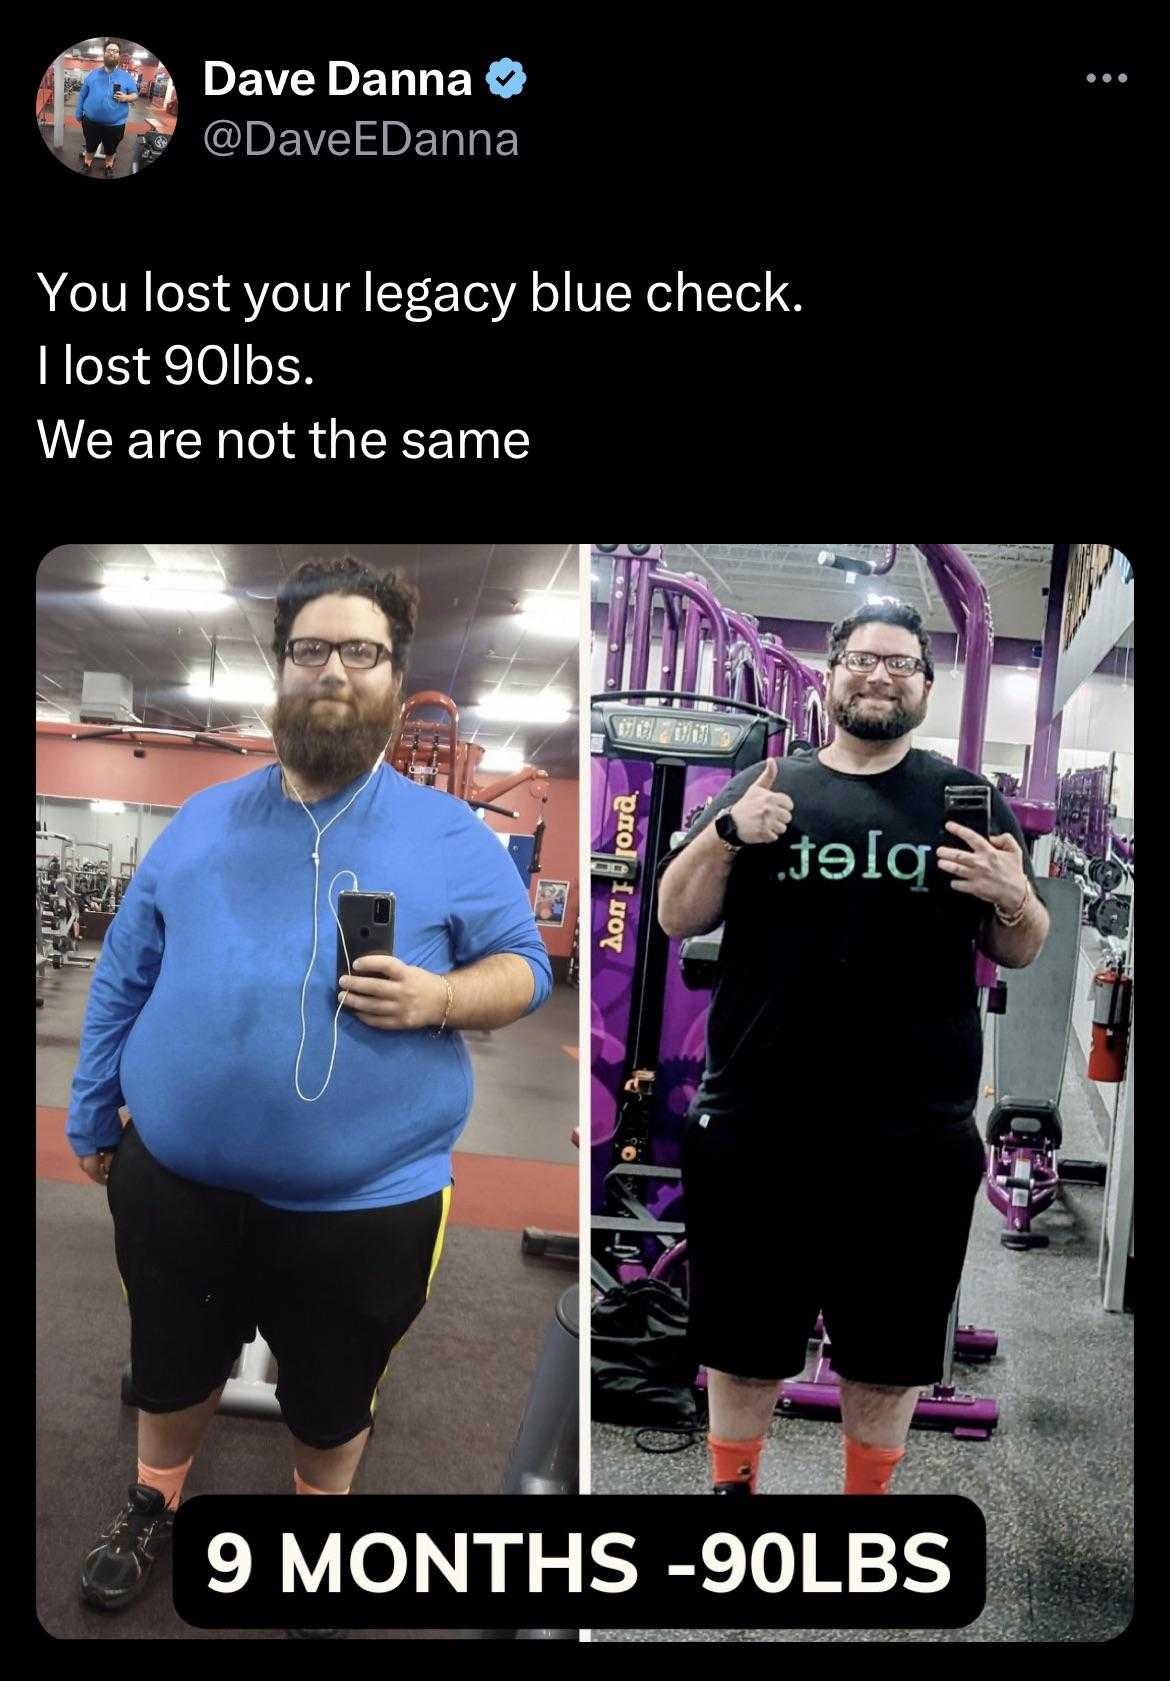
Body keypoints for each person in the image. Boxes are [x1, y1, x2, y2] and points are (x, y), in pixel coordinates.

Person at [66, 555, 554, 1622]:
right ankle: (154, 1500)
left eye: (361, 651)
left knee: (332, 1398)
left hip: (366, 1202)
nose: (334, 670)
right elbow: (125, 970)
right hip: (177, 1183)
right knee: (169, 1364)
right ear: (281, 668)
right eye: (311, 649)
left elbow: (529, 967)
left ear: (393, 674)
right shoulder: (200, 820)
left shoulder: (454, 839)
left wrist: (438, 998)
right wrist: (91, 1105)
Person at [656, 601, 1048, 1498]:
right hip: (761, 1117)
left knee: (888, 1351)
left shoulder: (966, 798)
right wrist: (725, 833)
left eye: (901, 664)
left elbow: (1017, 948)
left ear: (925, 685)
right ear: (832, 671)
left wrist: (1013, 893)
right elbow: (679, 914)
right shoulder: (765, 784)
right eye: (864, 659)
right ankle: (733, 1503)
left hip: (912, 1131)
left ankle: (862, 1516)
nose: (879, 675)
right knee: (745, 1343)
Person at [75, 40, 138, 177]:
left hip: (115, 124)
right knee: (90, 146)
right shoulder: (92, 74)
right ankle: (87, 164)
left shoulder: (126, 76)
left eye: (115, 51)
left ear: (119, 55)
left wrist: (126, 98)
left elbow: (135, 95)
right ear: (104, 53)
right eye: (109, 50)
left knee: (111, 149)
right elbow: (82, 95)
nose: (112, 53)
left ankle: (109, 166)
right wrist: (78, 112)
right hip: (91, 122)